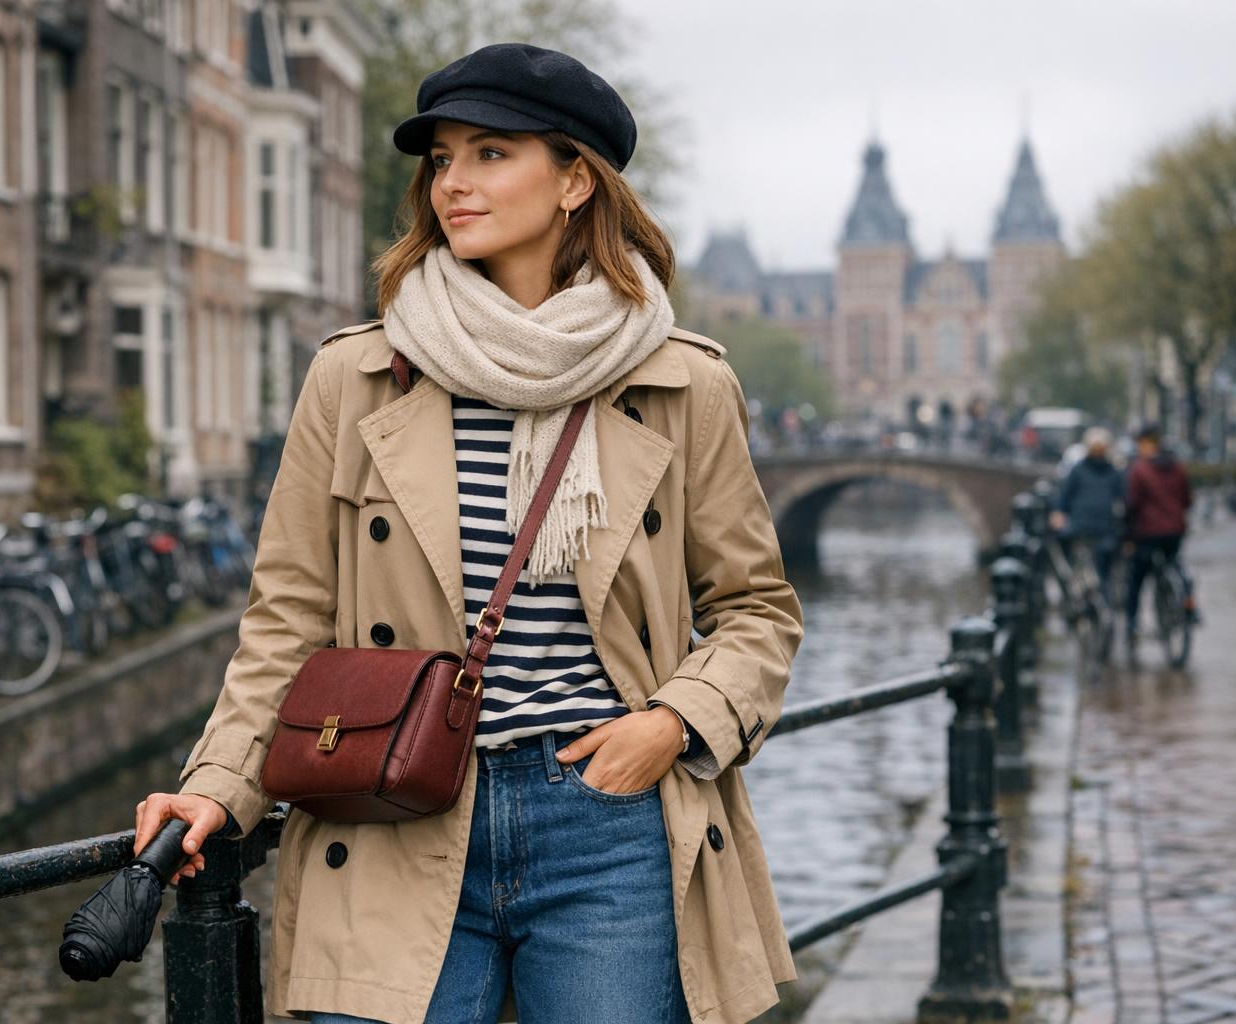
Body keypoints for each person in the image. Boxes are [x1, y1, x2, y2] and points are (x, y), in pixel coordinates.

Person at [131, 43, 804, 1024]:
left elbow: (755, 610)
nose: (454, 182)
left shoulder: (680, 384)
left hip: (605, 821)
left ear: (577, 179)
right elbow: (288, 615)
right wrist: (218, 785)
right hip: (392, 809)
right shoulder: (357, 377)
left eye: (491, 153)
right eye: (442, 159)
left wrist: (671, 725)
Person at [1122, 423, 1196, 651]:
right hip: (1174, 531)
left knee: (1137, 578)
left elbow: (1132, 504)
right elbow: (1187, 500)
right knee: (1176, 565)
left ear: (1145, 444)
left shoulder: (1140, 470)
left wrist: (1126, 532)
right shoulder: (1178, 467)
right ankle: (1189, 604)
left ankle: (1132, 625)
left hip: (1148, 533)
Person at [1049, 427, 1124, 603]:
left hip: (1088, 525)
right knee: (1102, 562)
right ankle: (1092, 593)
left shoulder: (1081, 470)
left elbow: (1065, 495)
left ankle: (1074, 592)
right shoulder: (1111, 472)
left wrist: (1058, 512)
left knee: (1097, 560)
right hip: (1098, 526)